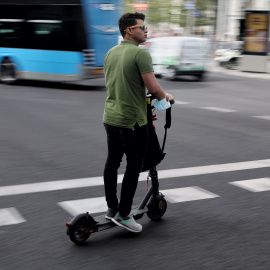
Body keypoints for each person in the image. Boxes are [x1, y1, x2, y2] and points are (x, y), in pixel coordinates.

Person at [103, 12, 174, 233]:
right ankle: (125, 214)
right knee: (133, 166)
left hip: (111, 117)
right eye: (142, 27)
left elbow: (124, 86)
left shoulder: (111, 53)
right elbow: (153, 88)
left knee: (112, 162)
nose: (146, 31)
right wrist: (166, 97)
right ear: (129, 30)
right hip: (132, 122)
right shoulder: (140, 54)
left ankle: (112, 208)